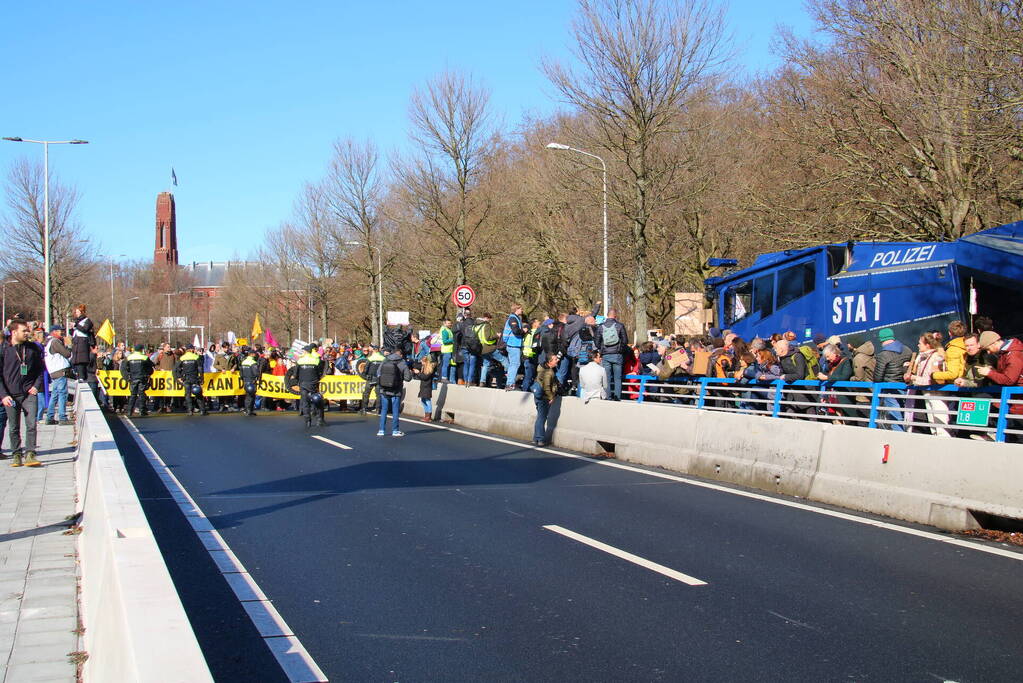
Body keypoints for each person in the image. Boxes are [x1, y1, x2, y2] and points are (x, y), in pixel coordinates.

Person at [0, 320, 45, 467]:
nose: (27, 333)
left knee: (31, 424)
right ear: (14, 332)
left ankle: (30, 453)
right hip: (10, 395)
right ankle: (16, 454)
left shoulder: (32, 348)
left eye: (27, 330)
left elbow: (40, 370)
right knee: (13, 427)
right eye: (24, 331)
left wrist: (36, 386)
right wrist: (3, 395)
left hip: (29, 393)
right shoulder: (4, 349)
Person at [873, 328, 912, 431]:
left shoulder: (883, 355)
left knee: (895, 418)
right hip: (906, 387)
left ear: (881, 339)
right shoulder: (907, 350)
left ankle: (898, 442)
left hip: (890, 389)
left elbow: (877, 377)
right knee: (907, 417)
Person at [286, 344, 326, 427]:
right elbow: (320, 372)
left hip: (303, 384)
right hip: (313, 384)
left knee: (305, 402)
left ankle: (307, 421)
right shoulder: (316, 360)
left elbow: (295, 374)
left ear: (305, 352)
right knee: (318, 400)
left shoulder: (300, 361)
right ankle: (320, 419)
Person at [376, 347, 412, 437]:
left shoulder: (385, 360)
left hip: (384, 389)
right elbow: (408, 378)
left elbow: (378, 373)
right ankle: (395, 431)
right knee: (395, 410)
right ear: (400, 354)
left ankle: (381, 430)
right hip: (396, 390)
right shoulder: (402, 362)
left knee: (384, 409)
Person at [43, 324, 72, 425]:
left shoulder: (48, 342)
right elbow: (67, 354)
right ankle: (62, 417)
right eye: (60, 331)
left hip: (54, 371)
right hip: (59, 371)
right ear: (54, 332)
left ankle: (50, 417)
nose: (62, 332)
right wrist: (69, 345)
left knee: (54, 395)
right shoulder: (55, 342)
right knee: (62, 394)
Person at [596, 309, 628, 401]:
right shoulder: (620, 326)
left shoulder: (601, 327)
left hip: (605, 355)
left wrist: (602, 349)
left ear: (607, 315)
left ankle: (608, 397)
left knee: (607, 378)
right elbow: (625, 341)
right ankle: (617, 397)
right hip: (617, 355)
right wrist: (620, 349)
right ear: (615, 316)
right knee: (617, 378)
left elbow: (597, 341)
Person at [532, 354, 560, 446]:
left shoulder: (540, 368)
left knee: (540, 417)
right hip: (544, 397)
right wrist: (551, 397)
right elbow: (547, 386)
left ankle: (535, 438)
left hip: (537, 395)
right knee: (542, 417)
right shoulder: (548, 372)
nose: (557, 360)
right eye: (555, 359)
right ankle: (540, 439)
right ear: (550, 362)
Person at [121, 344, 155, 418]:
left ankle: (130, 411)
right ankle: (142, 411)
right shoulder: (144, 357)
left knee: (133, 395)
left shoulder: (129, 357)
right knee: (142, 394)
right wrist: (148, 374)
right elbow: (151, 366)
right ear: (141, 349)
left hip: (133, 378)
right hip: (142, 378)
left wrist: (126, 377)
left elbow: (123, 368)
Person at [174, 345, 207, 416]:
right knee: (198, 394)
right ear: (192, 350)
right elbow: (200, 369)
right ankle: (202, 410)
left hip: (186, 379)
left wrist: (179, 377)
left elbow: (175, 369)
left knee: (187, 395)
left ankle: (190, 411)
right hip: (195, 378)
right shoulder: (196, 357)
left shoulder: (182, 358)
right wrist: (202, 378)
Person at [475, 313, 507, 388]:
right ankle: (510, 379)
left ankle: (482, 381)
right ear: (486, 318)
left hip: (482, 348)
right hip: (490, 348)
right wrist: (497, 335)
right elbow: (488, 337)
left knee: (486, 364)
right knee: (504, 360)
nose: (490, 320)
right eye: (490, 318)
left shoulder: (477, 325)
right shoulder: (486, 325)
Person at [501, 305, 527, 390]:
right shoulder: (513, 319)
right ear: (516, 309)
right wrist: (523, 331)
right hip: (513, 345)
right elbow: (516, 331)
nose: (522, 310)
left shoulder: (514, 318)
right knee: (514, 364)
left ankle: (510, 383)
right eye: (521, 309)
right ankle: (510, 384)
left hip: (513, 345)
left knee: (513, 364)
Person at [70, 305, 95, 392]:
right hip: (76, 343)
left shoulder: (87, 321)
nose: (76, 314)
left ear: (81, 312)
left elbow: (85, 329)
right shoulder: (76, 321)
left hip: (82, 344)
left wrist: (76, 325)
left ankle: (82, 377)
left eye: (77, 312)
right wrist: (71, 329)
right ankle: (78, 376)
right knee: (76, 361)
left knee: (81, 361)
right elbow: (74, 332)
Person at [358, 346, 385, 415]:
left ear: (373, 351)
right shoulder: (383, 359)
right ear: (378, 351)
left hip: (370, 378)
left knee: (366, 393)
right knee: (378, 394)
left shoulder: (370, 358)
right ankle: (378, 409)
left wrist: (365, 376)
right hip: (379, 378)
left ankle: (364, 408)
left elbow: (365, 369)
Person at [239, 347, 261, 416]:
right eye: (254, 354)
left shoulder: (243, 362)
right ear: (252, 354)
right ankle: (249, 411)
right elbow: (256, 373)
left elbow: (241, 373)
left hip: (245, 381)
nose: (255, 355)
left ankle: (247, 410)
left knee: (247, 396)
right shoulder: (253, 362)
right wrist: (257, 376)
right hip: (251, 381)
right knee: (251, 396)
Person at [415, 355, 436, 422]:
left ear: (426, 362)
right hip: (423, 386)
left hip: (427, 386)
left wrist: (418, 373)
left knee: (427, 400)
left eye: (423, 362)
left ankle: (428, 416)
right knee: (423, 400)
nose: (422, 363)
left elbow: (425, 377)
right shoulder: (424, 367)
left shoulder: (430, 369)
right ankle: (426, 415)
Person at [438, 319, 456, 383]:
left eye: (450, 323)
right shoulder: (445, 330)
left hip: (449, 350)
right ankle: (444, 378)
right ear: (444, 324)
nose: (450, 324)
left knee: (449, 364)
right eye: (448, 323)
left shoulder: (448, 330)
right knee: (445, 365)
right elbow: (445, 341)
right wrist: (452, 340)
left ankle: (447, 378)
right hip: (446, 350)